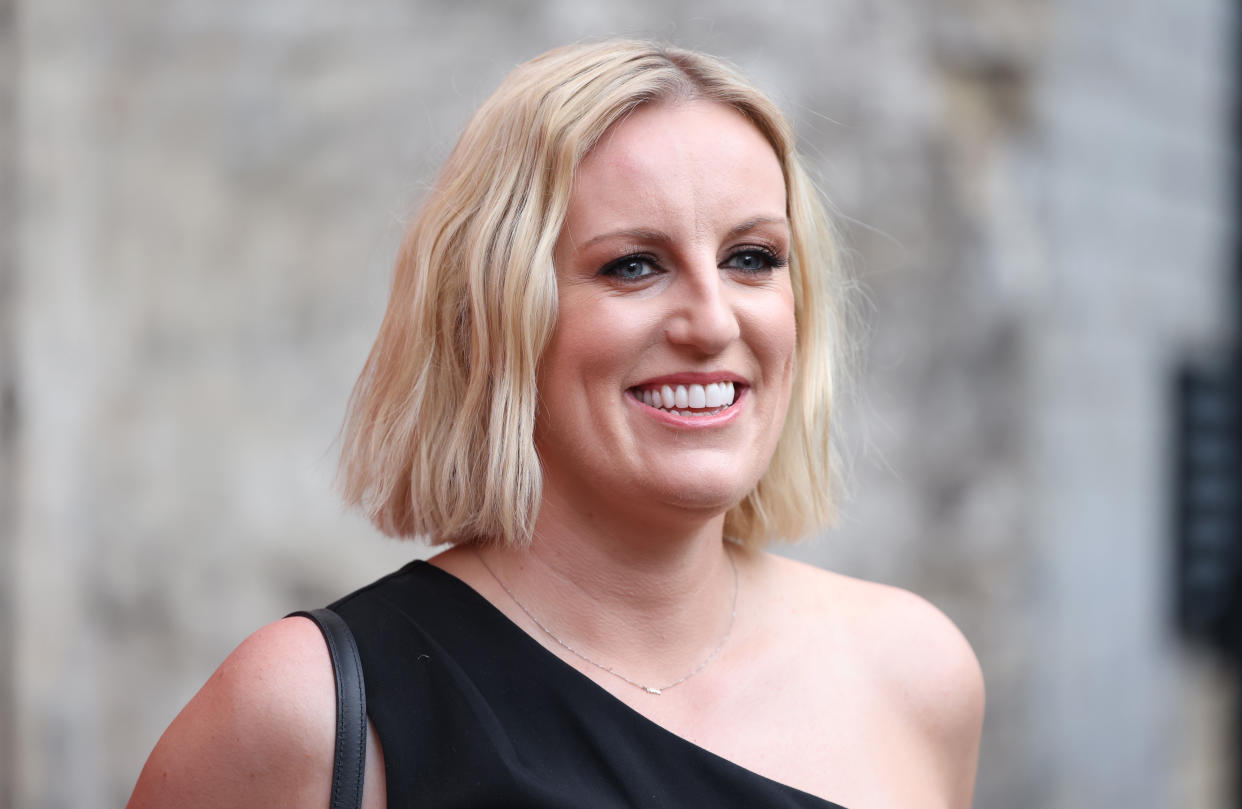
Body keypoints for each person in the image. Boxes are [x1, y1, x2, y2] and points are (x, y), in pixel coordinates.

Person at [127, 40, 984, 809]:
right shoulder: (305, 711)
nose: (713, 322)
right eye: (633, 265)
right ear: (492, 322)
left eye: (751, 258)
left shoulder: (915, 671)